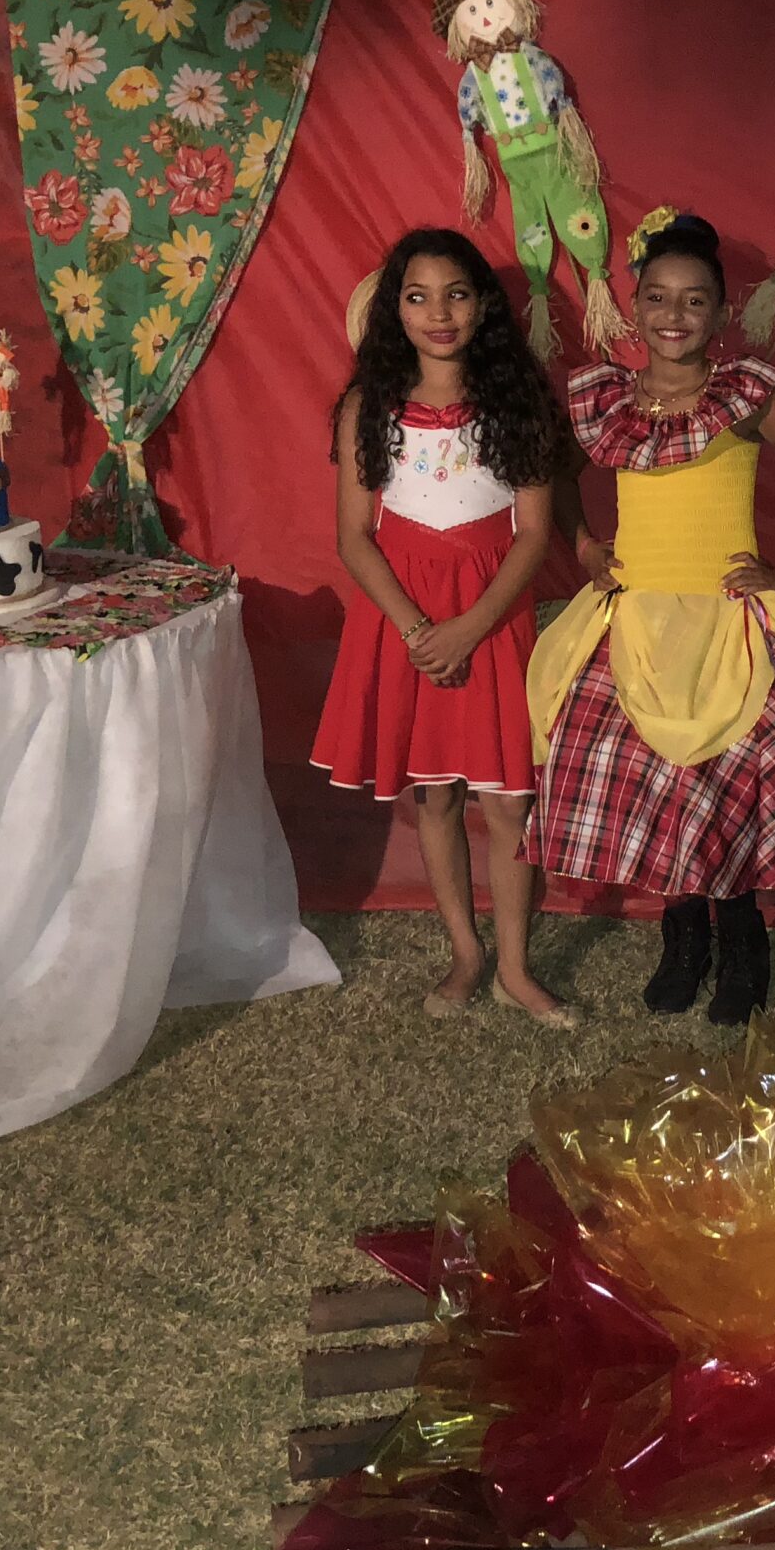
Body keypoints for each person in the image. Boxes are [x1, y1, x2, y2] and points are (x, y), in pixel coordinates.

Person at [525, 207, 775, 1022]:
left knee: (724, 783)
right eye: (658, 298)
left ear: (719, 313)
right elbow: (559, 477)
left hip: (724, 622)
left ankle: (742, 938)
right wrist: (583, 544)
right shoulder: (609, 399)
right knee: (659, 785)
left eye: (694, 301)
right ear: (634, 307)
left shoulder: (744, 396)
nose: (673, 315)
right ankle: (684, 939)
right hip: (634, 620)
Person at [311, 229, 574, 1028]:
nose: (439, 313)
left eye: (456, 294)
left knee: (509, 802)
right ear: (394, 310)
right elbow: (354, 537)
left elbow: (534, 534)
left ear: (483, 305)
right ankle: (465, 952)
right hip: (407, 625)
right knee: (435, 796)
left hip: (491, 617)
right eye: (418, 296)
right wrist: (419, 630)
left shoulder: (516, 403)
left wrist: (469, 627)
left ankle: (516, 968)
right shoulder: (368, 407)